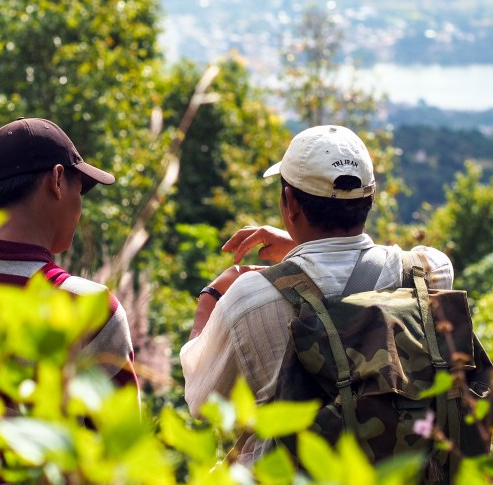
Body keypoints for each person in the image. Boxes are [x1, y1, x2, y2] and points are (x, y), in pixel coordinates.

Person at [180, 125, 454, 464]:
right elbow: (363, 265)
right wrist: (300, 245)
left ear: (290, 202)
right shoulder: (423, 272)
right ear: (370, 196)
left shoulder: (248, 299)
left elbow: (202, 403)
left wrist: (210, 297)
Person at [0, 117, 138, 390]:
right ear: (58, 179)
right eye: (80, 189)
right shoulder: (93, 309)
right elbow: (119, 432)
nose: (80, 206)